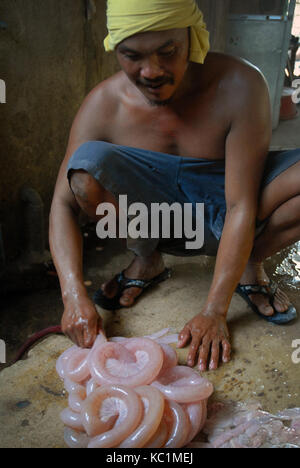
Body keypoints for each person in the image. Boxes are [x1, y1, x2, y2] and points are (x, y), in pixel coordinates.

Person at [49, 0, 300, 372]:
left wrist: (214, 310)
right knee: (85, 169)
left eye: (168, 52)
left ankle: (249, 259)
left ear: (192, 37)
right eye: (131, 56)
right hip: (156, 220)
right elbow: (62, 205)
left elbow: (240, 205)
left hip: (231, 205)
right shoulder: (103, 105)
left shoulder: (240, 84)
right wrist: (72, 295)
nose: (151, 71)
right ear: (115, 50)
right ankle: (147, 258)